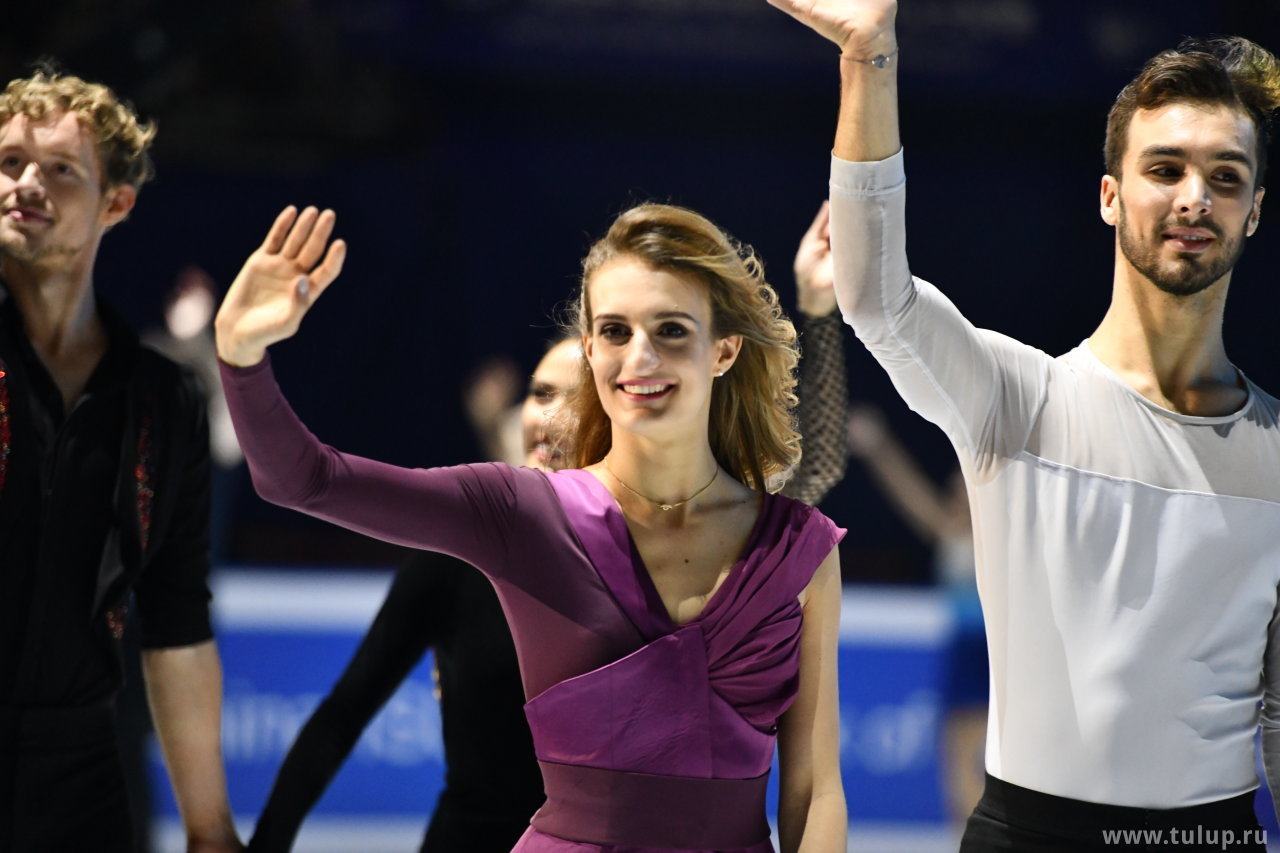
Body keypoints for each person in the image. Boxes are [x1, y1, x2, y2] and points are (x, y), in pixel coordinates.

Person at [771, 1, 1280, 849]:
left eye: (1225, 177)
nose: (1196, 196)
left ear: (1253, 211)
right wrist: (869, 58)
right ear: (1111, 197)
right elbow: (874, 294)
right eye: (1167, 169)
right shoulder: (1018, 402)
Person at [216, 201, 848, 852]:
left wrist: (821, 313)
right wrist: (241, 358)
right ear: (590, 349)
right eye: (614, 331)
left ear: (724, 349)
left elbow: (814, 789)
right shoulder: (521, 511)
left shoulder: (800, 547)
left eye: (671, 330)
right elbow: (306, 479)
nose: (640, 357)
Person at [0, 70, 241, 851]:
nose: (26, 184)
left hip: (81, 788)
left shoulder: (161, 401)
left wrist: (209, 828)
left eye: (60, 169)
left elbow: (176, 628)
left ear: (117, 203)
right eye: (7, 163)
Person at [846, 403, 984, 825]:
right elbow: (911, 494)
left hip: (989, 653)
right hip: (964, 653)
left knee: (982, 762)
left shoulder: (1002, 540)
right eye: (954, 488)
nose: (956, 494)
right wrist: (879, 447)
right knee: (958, 763)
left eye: (964, 489)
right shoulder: (952, 535)